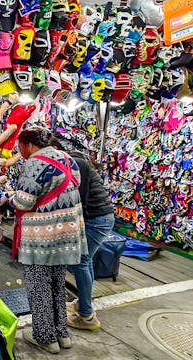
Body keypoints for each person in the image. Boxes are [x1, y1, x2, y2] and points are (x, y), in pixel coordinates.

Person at [9, 127, 88, 354]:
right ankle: (62, 334)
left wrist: (7, 198)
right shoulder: (67, 158)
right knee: (57, 284)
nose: (20, 151)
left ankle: (46, 338)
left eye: (20, 147)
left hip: (43, 237)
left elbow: (23, 201)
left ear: (29, 145)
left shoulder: (34, 162)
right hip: (68, 232)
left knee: (38, 286)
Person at [50, 136, 115, 331]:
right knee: (85, 261)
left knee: (79, 261)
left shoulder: (75, 162)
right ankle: (82, 304)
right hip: (97, 217)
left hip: (95, 219)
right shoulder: (68, 163)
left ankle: (87, 316)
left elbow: (81, 199)